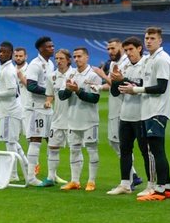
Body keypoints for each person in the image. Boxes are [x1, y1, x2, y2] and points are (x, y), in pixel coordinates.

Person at [94, 38, 143, 188]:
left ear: (121, 48)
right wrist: (99, 86)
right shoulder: (115, 64)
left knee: (121, 144)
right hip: (115, 106)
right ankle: (132, 175)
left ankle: (130, 179)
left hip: (123, 108)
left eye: (113, 48)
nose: (110, 51)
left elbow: (121, 84)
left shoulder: (126, 63)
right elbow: (113, 86)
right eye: (108, 49)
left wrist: (103, 76)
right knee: (115, 143)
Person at [135, 27, 170, 201]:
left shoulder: (162, 59)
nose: (148, 41)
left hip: (157, 110)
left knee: (156, 150)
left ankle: (159, 191)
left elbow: (161, 87)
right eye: (146, 38)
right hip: (148, 110)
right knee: (156, 150)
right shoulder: (149, 59)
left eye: (152, 38)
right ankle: (167, 187)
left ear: (160, 40)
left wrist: (136, 89)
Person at [108, 37, 150, 196]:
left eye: (131, 49)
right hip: (125, 114)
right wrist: (114, 81)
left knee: (145, 151)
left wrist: (123, 80)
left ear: (139, 48)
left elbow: (146, 87)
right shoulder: (123, 66)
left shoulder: (146, 64)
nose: (128, 53)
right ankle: (125, 183)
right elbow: (115, 92)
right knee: (124, 150)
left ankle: (151, 184)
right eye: (126, 50)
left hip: (142, 114)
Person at [0, 41, 31, 184]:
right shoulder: (5, 68)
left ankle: (13, 174)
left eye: (4, 52)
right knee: (12, 142)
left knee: (10, 143)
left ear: (10, 54)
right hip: (9, 110)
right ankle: (27, 166)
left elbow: (11, 92)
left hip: (10, 111)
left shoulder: (8, 70)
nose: (0, 54)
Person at [58, 47, 103, 191]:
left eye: (80, 56)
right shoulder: (70, 73)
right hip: (72, 119)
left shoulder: (94, 75)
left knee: (91, 149)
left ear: (87, 57)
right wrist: (68, 90)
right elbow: (61, 96)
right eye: (75, 56)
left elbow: (94, 98)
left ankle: (91, 181)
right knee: (74, 150)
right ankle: (75, 181)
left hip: (89, 120)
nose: (77, 59)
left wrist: (77, 91)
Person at [20, 36, 55, 187]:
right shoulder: (35, 65)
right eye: (49, 47)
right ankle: (31, 177)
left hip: (47, 108)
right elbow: (31, 86)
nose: (52, 48)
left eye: (52, 46)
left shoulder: (50, 63)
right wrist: (51, 92)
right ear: (41, 49)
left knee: (52, 141)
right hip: (35, 108)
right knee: (35, 140)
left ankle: (52, 175)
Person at [46, 49, 74, 186]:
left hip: (72, 119)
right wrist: (48, 101)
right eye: (56, 58)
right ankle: (51, 177)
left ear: (68, 60)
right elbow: (50, 94)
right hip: (56, 118)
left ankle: (75, 180)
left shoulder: (74, 74)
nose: (58, 61)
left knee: (74, 149)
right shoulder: (51, 76)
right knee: (52, 147)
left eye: (61, 58)